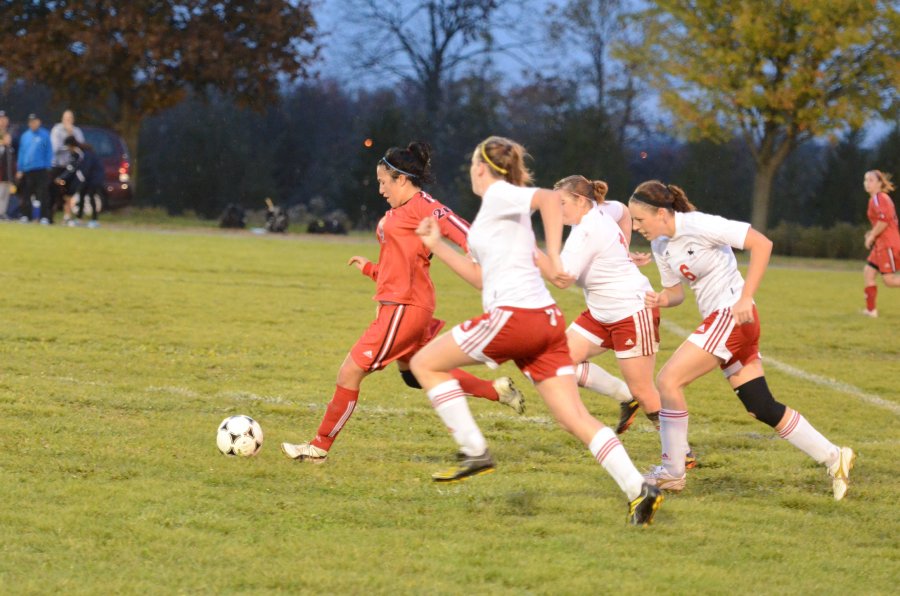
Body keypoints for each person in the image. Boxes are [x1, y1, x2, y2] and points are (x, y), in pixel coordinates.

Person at [411, 136, 663, 526]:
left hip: (515, 318)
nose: (471, 172)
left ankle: (474, 450)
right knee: (574, 418)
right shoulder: (496, 212)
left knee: (423, 363)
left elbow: (546, 198)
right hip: (545, 321)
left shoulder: (500, 194)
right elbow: (480, 278)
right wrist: (438, 245)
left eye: (472, 165)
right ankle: (638, 490)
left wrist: (556, 255)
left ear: (482, 168)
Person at [281, 142, 525, 463]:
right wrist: (370, 269)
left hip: (405, 308)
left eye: (384, 182)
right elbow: (398, 264)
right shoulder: (398, 211)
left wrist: (481, 254)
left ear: (402, 179)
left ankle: (318, 447)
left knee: (349, 372)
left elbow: (461, 228)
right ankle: (497, 391)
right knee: (416, 374)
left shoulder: (423, 205)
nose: (380, 189)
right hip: (400, 304)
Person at [628, 180, 855, 500]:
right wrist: (660, 299)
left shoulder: (700, 225)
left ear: (662, 213)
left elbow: (762, 243)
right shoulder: (660, 245)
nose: (635, 227)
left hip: (733, 316)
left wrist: (746, 297)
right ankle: (834, 457)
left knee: (668, 381)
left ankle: (672, 473)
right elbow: (675, 294)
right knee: (760, 406)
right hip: (726, 323)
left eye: (639, 219)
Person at [535, 175, 696, 467]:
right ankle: (624, 396)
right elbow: (622, 210)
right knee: (554, 361)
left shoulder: (587, 230)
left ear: (580, 201)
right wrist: (622, 251)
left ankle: (681, 452)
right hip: (600, 314)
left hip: (631, 311)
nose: (558, 210)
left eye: (562, 203)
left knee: (644, 391)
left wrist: (530, 250)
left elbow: (562, 278)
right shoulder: (598, 210)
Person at [861, 169, 900, 317]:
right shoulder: (874, 199)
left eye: (871, 180)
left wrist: (871, 236)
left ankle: (871, 311)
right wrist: (872, 234)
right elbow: (881, 222)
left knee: (889, 281)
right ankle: (871, 310)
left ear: (879, 183)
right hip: (881, 243)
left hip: (888, 244)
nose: (867, 183)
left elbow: (884, 220)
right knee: (868, 272)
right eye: (865, 180)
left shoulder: (880, 197)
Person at [56, 136, 105, 227]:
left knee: (91, 196)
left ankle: (94, 220)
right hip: (87, 178)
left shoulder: (85, 153)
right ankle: (79, 219)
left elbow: (85, 168)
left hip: (94, 178)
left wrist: (79, 180)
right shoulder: (78, 153)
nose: (68, 149)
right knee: (82, 195)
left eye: (68, 147)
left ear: (71, 145)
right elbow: (74, 168)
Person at [49, 110, 86, 225]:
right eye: (66, 118)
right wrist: (69, 145)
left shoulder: (77, 131)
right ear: (62, 119)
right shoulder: (57, 130)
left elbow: (80, 147)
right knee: (54, 191)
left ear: (73, 120)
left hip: (71, 166)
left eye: (70, 118)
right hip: (58, 165)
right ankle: (49, 217)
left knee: (69, 192)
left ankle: (67, 216)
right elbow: (55, 148)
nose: (68, 121)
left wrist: (71, 135)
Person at [15, 114, 52, 223]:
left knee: (43, 193)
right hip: (27, 169)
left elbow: (49, 151)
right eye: (31, 122)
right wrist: (20, 168)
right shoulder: (25, 136)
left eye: (34, 121)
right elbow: (21, 153)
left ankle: (44, 217)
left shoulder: (44, 135)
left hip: (41, 168)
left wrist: (48, 166)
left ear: (39, 122)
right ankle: (26, 215)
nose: (33, 123)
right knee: (26, 193)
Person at [0, 132, 16, 219]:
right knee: (1, 195)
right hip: (1, 178)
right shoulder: (1, 149)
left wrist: (12, 177)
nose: (9, 140)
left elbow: (12, 166)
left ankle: (3, 213)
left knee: (6, 196)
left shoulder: (11, 150)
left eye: (9, 138)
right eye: (7, 138)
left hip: (8, 178)